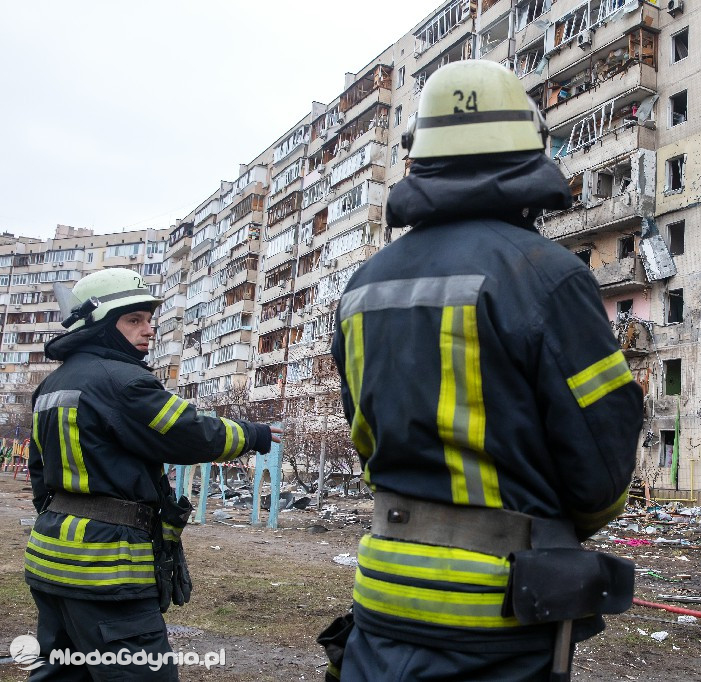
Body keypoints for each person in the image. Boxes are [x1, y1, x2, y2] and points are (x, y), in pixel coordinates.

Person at [326, 60, 643, 681]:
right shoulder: (548, 276)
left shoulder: (362, 285)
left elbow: (365, 437)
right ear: (527, 153)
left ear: (421, 157)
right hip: (498, 614)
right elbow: (601, 464)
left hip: (382, 598)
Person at [25, 268, 282, 681]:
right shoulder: (123, 381)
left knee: (63, 674)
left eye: (148, 319)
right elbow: (189, 433)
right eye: (133, 320)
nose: (148, 330)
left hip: (51, 561)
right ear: (102, 325)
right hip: (106, 569)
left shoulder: (52, 385)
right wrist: (253, 434)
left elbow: (40, 474)